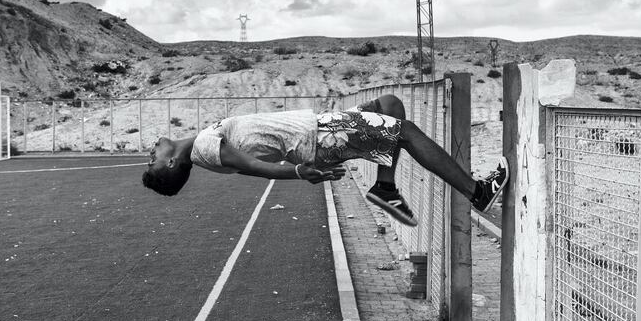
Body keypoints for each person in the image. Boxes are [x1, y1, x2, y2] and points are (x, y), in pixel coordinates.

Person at [142, 94, 508, 227]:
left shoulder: (202, 147)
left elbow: (251, 163)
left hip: (319, 128)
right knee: (406, 131)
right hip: (316, 135)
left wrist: (300, 169)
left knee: (389, 107)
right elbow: (255, 168)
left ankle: (385, 186)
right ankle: (477, 192)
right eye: (151, 163)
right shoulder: (203, 148)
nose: (150, 154)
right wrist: (301, 171)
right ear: (170, 165)